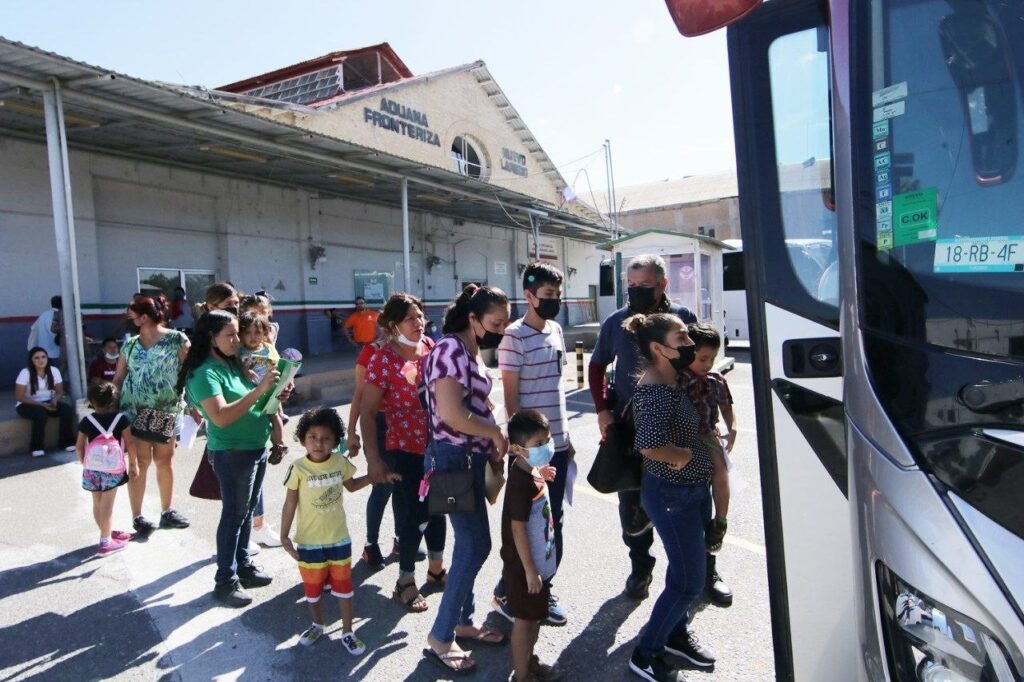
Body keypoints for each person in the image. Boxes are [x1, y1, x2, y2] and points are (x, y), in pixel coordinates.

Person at [588, 254, 732, 607]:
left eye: (644, 286)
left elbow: (702, 362)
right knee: (633, 505)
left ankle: (705, 569)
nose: (636, 292)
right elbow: (596, 366)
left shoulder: (682, 320)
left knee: (696, 499)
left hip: (684, 424)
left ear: (663, 284)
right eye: (631, 286)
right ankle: (640, 568)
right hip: (632, 427)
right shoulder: (616, 322)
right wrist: (603, 411)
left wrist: (712, 411)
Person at [422, 284, 510, 675]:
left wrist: (492, 431)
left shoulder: (468, 350)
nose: (502, 330)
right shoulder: (449, 350)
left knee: (469, 545)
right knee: (475, 546)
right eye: (496, 323)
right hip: (451, 459)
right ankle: (441, 636)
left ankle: (462, 622)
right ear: (473, 319)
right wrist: (492, 433)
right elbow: (452, 414)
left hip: (467, 460)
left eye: (506, 322)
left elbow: (475, 403)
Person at [624, 312, 716, 681]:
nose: (690, 345)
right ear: (659, 348)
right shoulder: (656, 389)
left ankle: (673, 635)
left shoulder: (672, 377)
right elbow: (649, 446)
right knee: (689, 582)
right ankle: (645, 653)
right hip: (672, 494)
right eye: (682, 340)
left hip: (690, 490)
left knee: (683, 571)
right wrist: (685, 456)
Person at [180, 310, 281, 608]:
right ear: (211, 338)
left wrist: (274, 393)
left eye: (238, 334)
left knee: (246, 511)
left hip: (256, 446)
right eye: (231, 335)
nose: (238, 340)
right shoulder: (203, 373)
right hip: (233, 453)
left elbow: (254, 400)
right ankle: (225, 580)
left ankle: (244, 566)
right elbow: (221, 417)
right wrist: (259, 390)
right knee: (233, 515)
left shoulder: (233, 363)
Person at [493, 261, 571, 626]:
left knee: (551, 524)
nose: (554, 300)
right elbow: (511, 400)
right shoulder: (514, 336)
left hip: (558, 443)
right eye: (547, 295)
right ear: (528, 296)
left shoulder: (555, 329)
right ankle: (511, 592)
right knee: (527, 525)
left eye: (557, 294)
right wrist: (526, 454)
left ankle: (539, 589)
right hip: (532, 452)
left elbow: (557, 386)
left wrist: (563, 441)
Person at [361, 293, 448, 612]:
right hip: (405, 451)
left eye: (421, 316)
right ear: (393, 324)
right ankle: (405, 581)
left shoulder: (431, 349)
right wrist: (374, 459)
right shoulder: (383, 359)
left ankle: (437, 570)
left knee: (441, 510)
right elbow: (369, 412)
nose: (419, 322)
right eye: (411, 318)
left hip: (439, 447)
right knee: (413, 517)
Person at [280, 406, 391, 653]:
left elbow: (351, 485)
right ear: (302, 440)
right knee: (312, 590)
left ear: (335, 441)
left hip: (339, 540)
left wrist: (376, 477)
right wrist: (284, 536)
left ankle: (348, 631)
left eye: (326, 438)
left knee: (344, 589)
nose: (319, 443)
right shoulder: (298, 469)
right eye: (312, 437)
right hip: (308, 543)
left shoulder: (340, 462)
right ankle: (317, 624)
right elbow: (290, 503)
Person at [114, 295, 191, 534]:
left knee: (164, 462)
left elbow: (190, 373)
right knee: (139, 463)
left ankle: (167, 511)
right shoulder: (130, 345)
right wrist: (104, 405)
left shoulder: (177, 340)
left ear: (144, 317)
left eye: (132, 314)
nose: (129, 317)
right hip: (133, 413)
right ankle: (138, 517)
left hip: (165, 412)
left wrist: (195, 404)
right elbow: (119, 378)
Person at [501, 410, 563, 682]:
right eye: (538, 444)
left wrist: (542, 472)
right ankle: (521, 675)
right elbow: (517, 528)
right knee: (525, 622)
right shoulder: (518, 482)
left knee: (535, 618)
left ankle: (530, 661)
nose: (545, 447)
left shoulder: (531, 470)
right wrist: (529, 570)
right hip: (525, 570)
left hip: (539, 565)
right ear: (517, 449)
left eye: (546, 440)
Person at [679, 323, 737, 553]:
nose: (708, 365)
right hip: (680, 437)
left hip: (706, 433)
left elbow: (727, 407)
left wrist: (733, 428)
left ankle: (720, 522)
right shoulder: (677, 378)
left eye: (712, 359)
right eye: (702, 359)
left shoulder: (717, 380)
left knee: (720, 472)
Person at [347, 333, 399, 568]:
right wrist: (351, 432)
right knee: (382, 485)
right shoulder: (371, 352)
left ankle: (400, 539)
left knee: (403, 485)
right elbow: (359, 394)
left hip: (408, 426)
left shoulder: (417, 349)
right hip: (377, 424)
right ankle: (371, 544)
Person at [237, 311, 286, 549]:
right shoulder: (237, 353)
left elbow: (279, 367)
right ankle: (249, 531)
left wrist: (285, 381)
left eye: (259, 331)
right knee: (246, 480)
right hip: (249, 405)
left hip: (269, 397)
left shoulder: (268, 349)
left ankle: (280, 445)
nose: (254, 337)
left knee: (276, 417)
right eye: (248, 332)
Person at [75, 381, 138, 556]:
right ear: (112, 400)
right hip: (113, 469)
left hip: (92, 468)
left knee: (98, 503)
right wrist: (134, 463)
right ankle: (105, 541)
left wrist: (85, 464)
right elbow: (130, 444)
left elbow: (79, 446)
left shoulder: (87, 421)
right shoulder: (121, 419)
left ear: (91, 401)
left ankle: (106, 532)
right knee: (108, 506)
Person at [15, 347, 75, 456]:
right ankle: (37, 446)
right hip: (27, 404)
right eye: (36, 358)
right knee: (40, 413)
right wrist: (41, 405)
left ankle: (66, 442)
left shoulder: (54, 371)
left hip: (48, 402)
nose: (40, 360)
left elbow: (59, 391)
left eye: (43, 357)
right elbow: (19, 396)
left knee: (66, 410)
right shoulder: (25, 372)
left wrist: (55, 400)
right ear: (31, 360)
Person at [26, 295, 63, 369]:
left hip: (43, 350)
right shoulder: (61, 315)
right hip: (57, 352)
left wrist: (31, 347)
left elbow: (33, 329)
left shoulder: (43, 315)